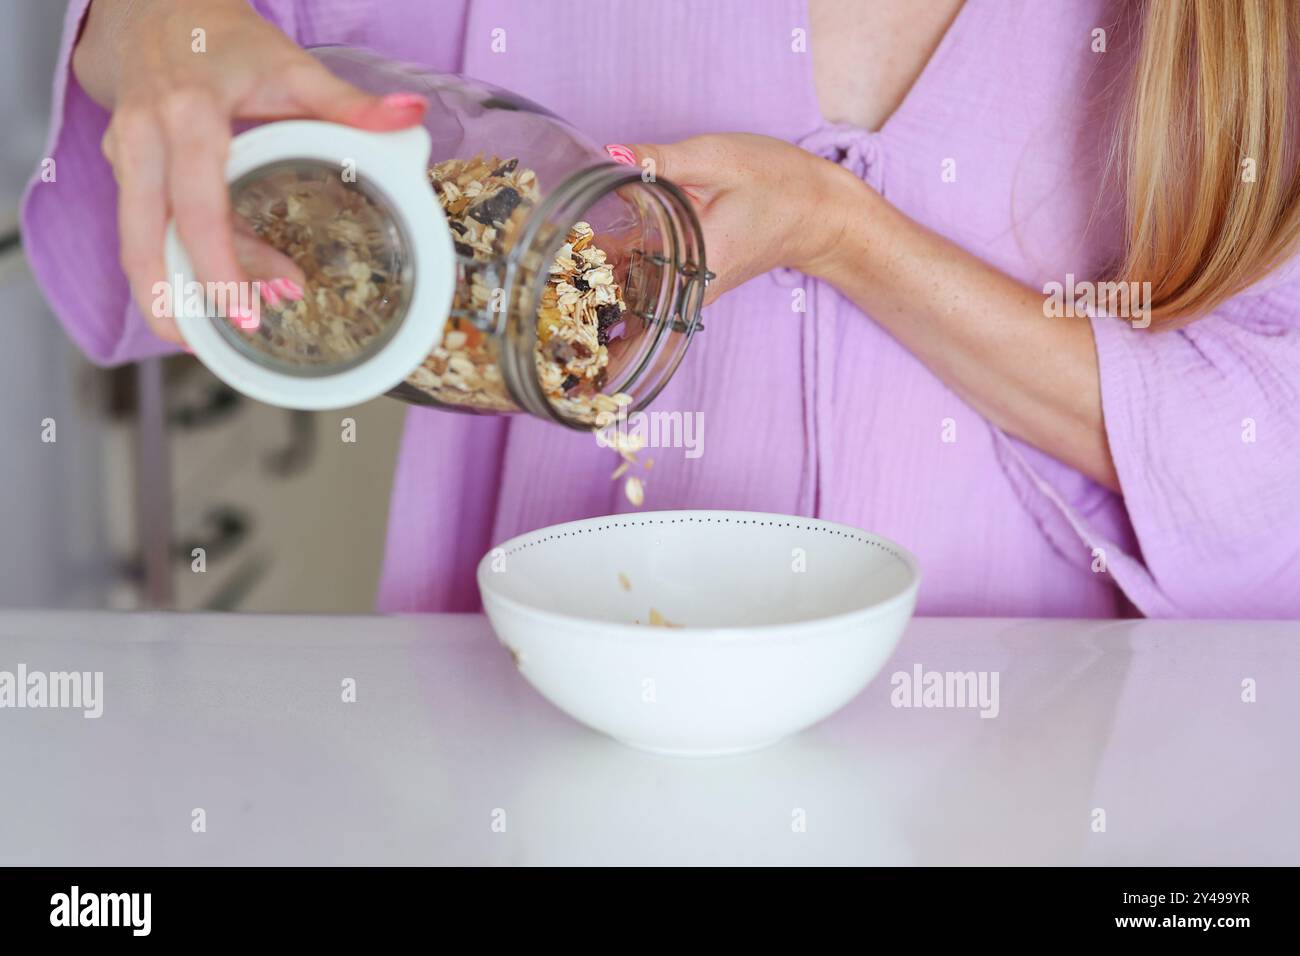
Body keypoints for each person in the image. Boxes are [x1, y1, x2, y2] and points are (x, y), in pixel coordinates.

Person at [22, 0, 1300, 617]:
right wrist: (148, 32)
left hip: (1042, 798)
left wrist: (843, 234)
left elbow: (1268, 463)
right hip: (530, 771)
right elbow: (194, 38)